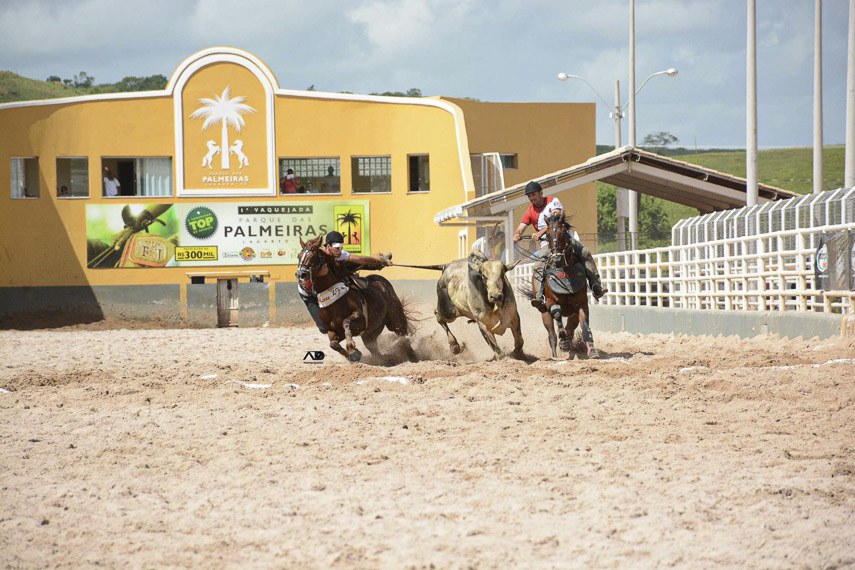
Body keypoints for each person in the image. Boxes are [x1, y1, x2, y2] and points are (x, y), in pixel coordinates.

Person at [512, 180, 608, 310]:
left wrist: (540, 232)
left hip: (564, 238)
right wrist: (517, 234)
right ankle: (539, 297)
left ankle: (596, 286)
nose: (532, 198)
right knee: (538, 265)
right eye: (529, 196)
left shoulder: (553, 202)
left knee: (585, 252)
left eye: (534, 194)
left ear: (541, 193)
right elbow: (521, 227)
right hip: (548, 243)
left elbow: (555, 220)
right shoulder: (529, 211)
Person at [298, 230, 392, 334]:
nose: (339, 250)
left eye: (341, 247)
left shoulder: (338, 254)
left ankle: (380, 261)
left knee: (353, 263)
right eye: (337, 248)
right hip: (310, 294)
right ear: (328, 246)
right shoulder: (317, 258)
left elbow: (358, 259)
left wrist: (379, 261)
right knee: (324, 328)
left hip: (329, 284)